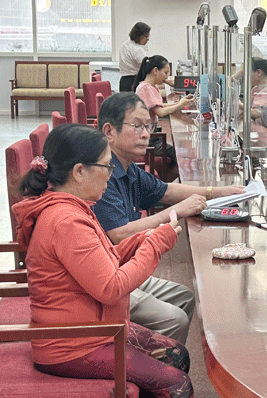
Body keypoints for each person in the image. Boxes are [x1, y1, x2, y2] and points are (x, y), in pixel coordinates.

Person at [12, 124, 192, 397]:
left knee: (176, 354)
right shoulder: (66, 220)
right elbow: (110, 288)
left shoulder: (71, 206)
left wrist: (142, 239)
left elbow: (101, 261)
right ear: (80, 171)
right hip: (73, 345)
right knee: (177, 383)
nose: (110, 176)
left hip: (91, 331)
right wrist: (154, 244)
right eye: (106, 167)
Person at [93, 93, 245, 343]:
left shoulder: (127, 166)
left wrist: (219, 192)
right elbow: (118, 234)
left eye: (149, 126)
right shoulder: (101, 174)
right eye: (138, 126)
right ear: (109, 131)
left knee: (185, 296)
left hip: (121, 264)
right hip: (109, 274)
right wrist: (176, 213)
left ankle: (162, 365)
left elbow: (165, 190)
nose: (146, 134)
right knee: (174, 319)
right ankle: (154, 373)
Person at [133, 54, 194, 180]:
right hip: (148, 139)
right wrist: (180, 104)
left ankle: (163, 183)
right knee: (181, 155)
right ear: (155, 71)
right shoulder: (146, 89)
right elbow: (160, 112)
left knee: (176, 156)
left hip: (151, 135)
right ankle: (164, 186)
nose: (166, 77)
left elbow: (159, 106)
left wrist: (179, 104)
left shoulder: (150, 87)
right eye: (165, 73)